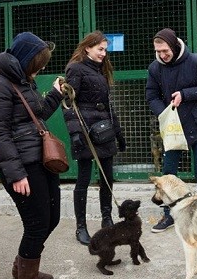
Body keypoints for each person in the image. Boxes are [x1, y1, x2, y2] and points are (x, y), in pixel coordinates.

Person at [0, 32, 63, 279]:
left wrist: (54, 94)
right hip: (22, 166)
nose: (41, 68)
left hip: (42, 159)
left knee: (52, 219)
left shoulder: (24, 81)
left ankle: (22, 267)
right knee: (37, 224)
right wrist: (16, 173)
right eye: (38, 62)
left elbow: (37, 113)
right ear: (26, 59)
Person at [146, 28, 197, 233]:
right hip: (172, 128)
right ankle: (169, 215)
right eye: (158, 51)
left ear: (175, 46)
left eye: (165, 50)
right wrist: (165, 112)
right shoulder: (154, 68)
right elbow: (151, 96)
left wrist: (185, 95)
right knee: (168, 173)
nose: (162, 55)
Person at [62, 31, 126, 245]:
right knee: (83, 179)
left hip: (104, 131)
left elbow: (108, 105)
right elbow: (69, 103)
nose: (103, 53)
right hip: (86, 133)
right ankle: (81, 226)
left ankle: (107, 219)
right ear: (87, 47)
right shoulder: (76, 69)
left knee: (107, 178)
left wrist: (118, 132)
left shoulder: (101, 70)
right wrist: (75, 133)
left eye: (105, 49)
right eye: (100, 49)